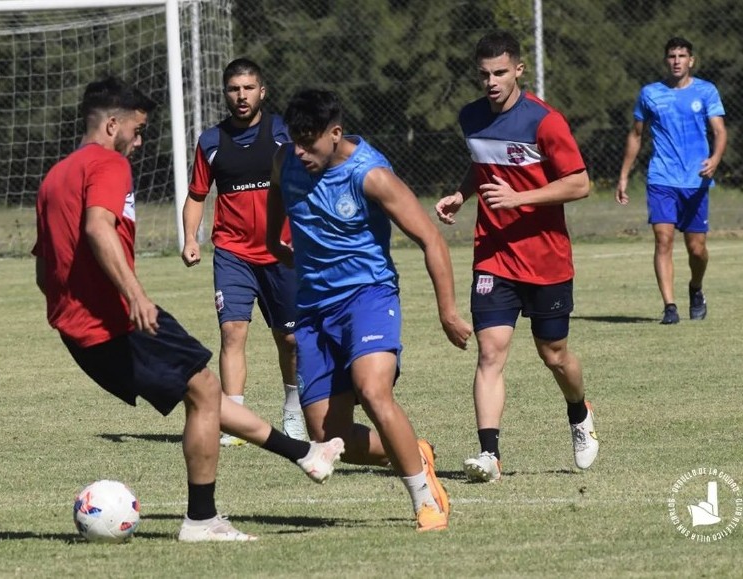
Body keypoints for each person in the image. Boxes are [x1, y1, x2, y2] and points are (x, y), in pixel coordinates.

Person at [33, 77, 344, 543]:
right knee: (203, 387)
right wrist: (136, 296)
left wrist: (66, 307)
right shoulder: (108, 164)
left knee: (202, 391)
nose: (138, 143)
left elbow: (43, 264)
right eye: (136, 131)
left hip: (79, 329)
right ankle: (202, 520)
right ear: (112, 124)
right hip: (116, 320)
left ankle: (305, 453)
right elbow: (98, 229)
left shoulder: (56, 175)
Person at [266, 88, 473, 532]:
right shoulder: (286, 160)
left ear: (335, 133)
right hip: (313, 310)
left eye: (309, 142)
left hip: (368, 297)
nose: (299, 152)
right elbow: (275, 202)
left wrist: (448, 311)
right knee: (327, 435)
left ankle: (424, 499)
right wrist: (272, 242)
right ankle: (414, 452)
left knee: (374, 390)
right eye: (293, 141)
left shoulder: (370, 175)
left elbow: (431, 238)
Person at [434, 30, 598, 483]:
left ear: (518, 70)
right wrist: (462, 194)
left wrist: (522, 198)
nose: (491, 81)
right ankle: (490, 455)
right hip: (494, 253)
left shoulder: (545, 121)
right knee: (491, 351)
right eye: (484, 74)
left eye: (500, 72)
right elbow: (484, 163)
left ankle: (579, 412)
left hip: (545, 258)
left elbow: (579, 184)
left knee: (554, 354)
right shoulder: (471, 117)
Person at [182, 58, 306, 446]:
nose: (241, 96)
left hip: (282, 253)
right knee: (232, 331)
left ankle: (294, 409)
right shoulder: (211, 142)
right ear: (226, 93)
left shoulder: (285, 133)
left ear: (262, 92)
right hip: (232, 253)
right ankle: (233, 419)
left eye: (248, 88)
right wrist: (190, 238)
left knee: (289, 340)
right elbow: (196, 196)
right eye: (234, 89)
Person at [615, 37, 727, 325]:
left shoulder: (706, 91)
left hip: (696, 180)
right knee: (663, 239)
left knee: (697, 249)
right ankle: (670, 306)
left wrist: (714, 159)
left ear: (691, 60)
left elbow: (720, 131)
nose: (676, 60)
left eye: (682, 55)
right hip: (662, 177)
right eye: (672, 56)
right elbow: (636, 135)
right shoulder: (650, 94)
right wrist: (624, 176)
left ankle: (696, 288)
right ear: (666, 60)